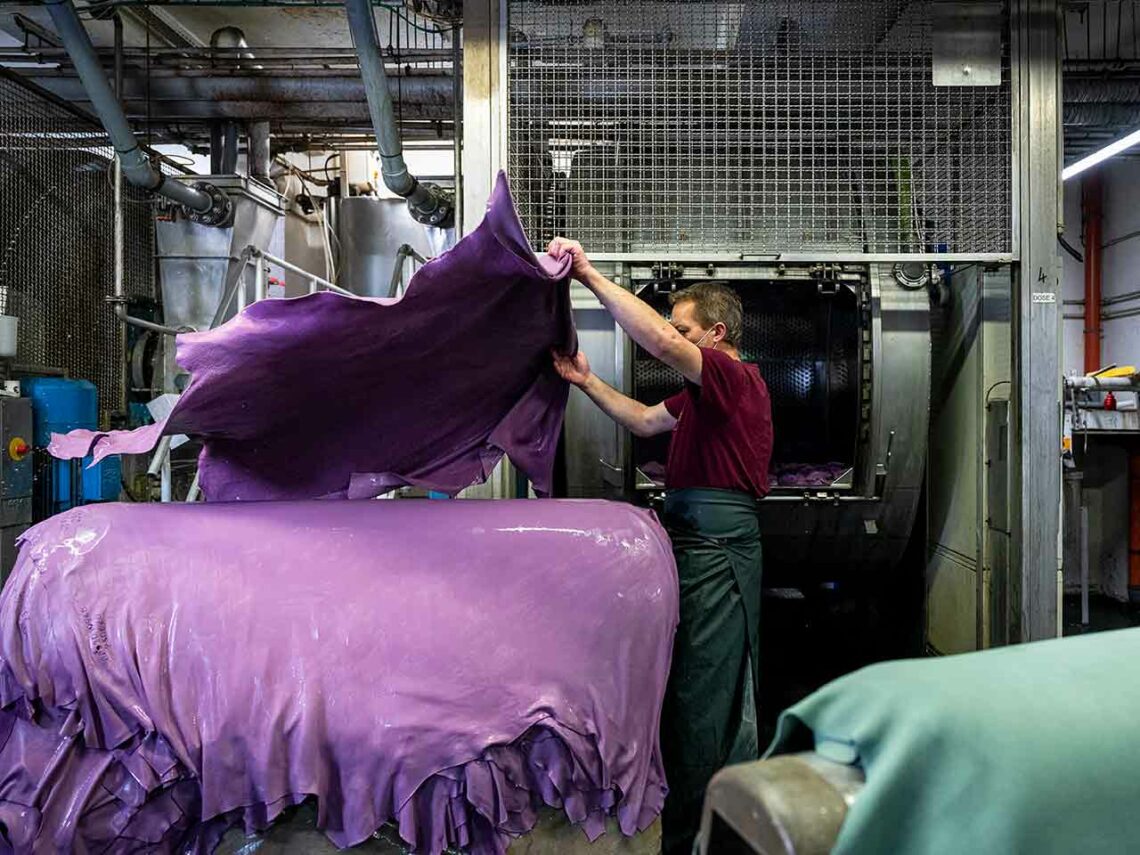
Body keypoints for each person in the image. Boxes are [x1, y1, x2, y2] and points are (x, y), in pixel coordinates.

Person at [547, 237, 773, 855]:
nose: (673, 335)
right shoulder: (704, 395)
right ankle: (695, 816)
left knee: (707, 687)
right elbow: (647, 420)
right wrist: (587, 382)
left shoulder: (734, 377)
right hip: (694, 539)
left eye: (684, 326)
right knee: (693, 682)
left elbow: (663, 344)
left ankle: (704, 832)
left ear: (716, 332)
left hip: (717, 546)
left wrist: (590, 275)